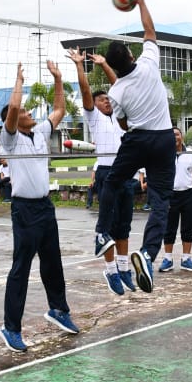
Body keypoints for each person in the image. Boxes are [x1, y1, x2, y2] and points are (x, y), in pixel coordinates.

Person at [95, 0, 175, 294]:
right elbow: (149, 31)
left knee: (112, 182)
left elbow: (123, 123)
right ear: (132, 55)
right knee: (160, 202)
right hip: (165, 139)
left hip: (138, 139)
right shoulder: (149, 63)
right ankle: (149, 254)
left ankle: (102, 232)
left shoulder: (116, 92)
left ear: (114, 66)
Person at [0, 61, 79, 352]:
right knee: (21, 268)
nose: (30, 112)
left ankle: (58, 309)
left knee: (53, 262)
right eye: (25, 112)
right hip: (24, 210)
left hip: (45, 207)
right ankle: (11, 328)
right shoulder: (10, 139)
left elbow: (60, 109)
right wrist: (18, 81)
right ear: (14, 120)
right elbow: (13, 107)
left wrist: (58, 78)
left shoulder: (41, 132)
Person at [67, 46, 139, 295]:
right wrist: (80, 65)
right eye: (101, 100)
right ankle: (110, 271)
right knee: (107, 227)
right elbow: (85, 91)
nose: (106, 101)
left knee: (124, 226)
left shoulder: (120, 115)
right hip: (106, 173)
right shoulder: (94, 118)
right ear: (94, 105)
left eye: (108, 99)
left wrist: (105, 64)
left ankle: (124, 268)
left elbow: (119, 86)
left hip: (125, 173)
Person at [160, 127, 192, 273]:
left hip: (188, 194)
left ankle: (186, 259)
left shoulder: (191, 153)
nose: (175, 137)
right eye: (171, 135)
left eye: (177, 134)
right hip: (170, 195)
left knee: (188, 227)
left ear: (182, 137)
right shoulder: (163, 153)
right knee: (169, 227)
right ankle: (167, 259)